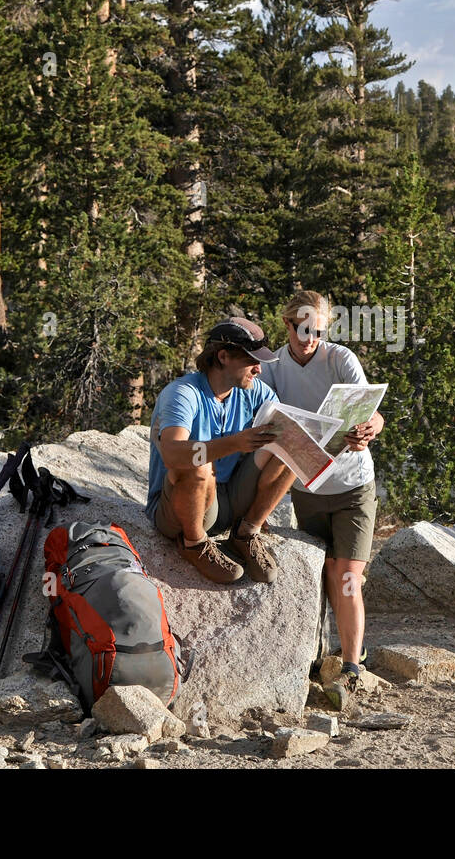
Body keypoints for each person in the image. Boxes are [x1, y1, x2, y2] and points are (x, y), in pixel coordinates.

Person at [259, 291, 384, 709]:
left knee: (347, 574)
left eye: (319, 331)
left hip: (352, 485)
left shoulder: (341, 359)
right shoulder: (272, 368)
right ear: (288, 325)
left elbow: (373, 411)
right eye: (303, 330)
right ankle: (325, 653)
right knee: (321, 574)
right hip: (307, 487)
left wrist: (369, 429)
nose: (311, 338)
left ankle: (351, 666)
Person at [145, 317, 295, 584]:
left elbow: (287, 431)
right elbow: (172, 453)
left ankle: (246, 533)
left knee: (290, 442)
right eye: (252, 361)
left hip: (229, 500)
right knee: (198, 463)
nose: (259, 370)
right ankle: (194, 543)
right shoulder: (183, 393)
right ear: (223, 356)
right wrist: (236, 443)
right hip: (180, 511)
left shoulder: (253, 391)